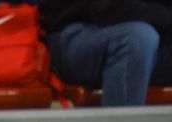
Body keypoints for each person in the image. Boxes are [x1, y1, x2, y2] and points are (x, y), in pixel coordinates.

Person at [39, 0, 171, 107]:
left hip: (149, 39)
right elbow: (108, 10)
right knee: (137, 38)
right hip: (73, 35)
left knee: (142, 38)